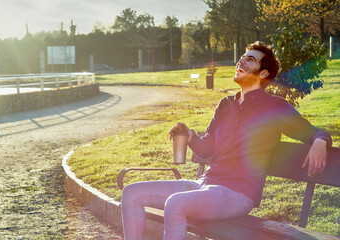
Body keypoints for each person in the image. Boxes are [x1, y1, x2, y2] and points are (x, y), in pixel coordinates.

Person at [120, 41, 332, 240]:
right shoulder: (226, 104)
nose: (241, 61)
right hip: (204, 184)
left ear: (263, 72)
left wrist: (320, 141)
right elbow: (206, 148)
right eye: (242, 57)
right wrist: (191, 136)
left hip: (237, 193)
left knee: (175, 204)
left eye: (250, 59)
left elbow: (314, 132)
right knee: (131, 193)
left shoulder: (275, 108)